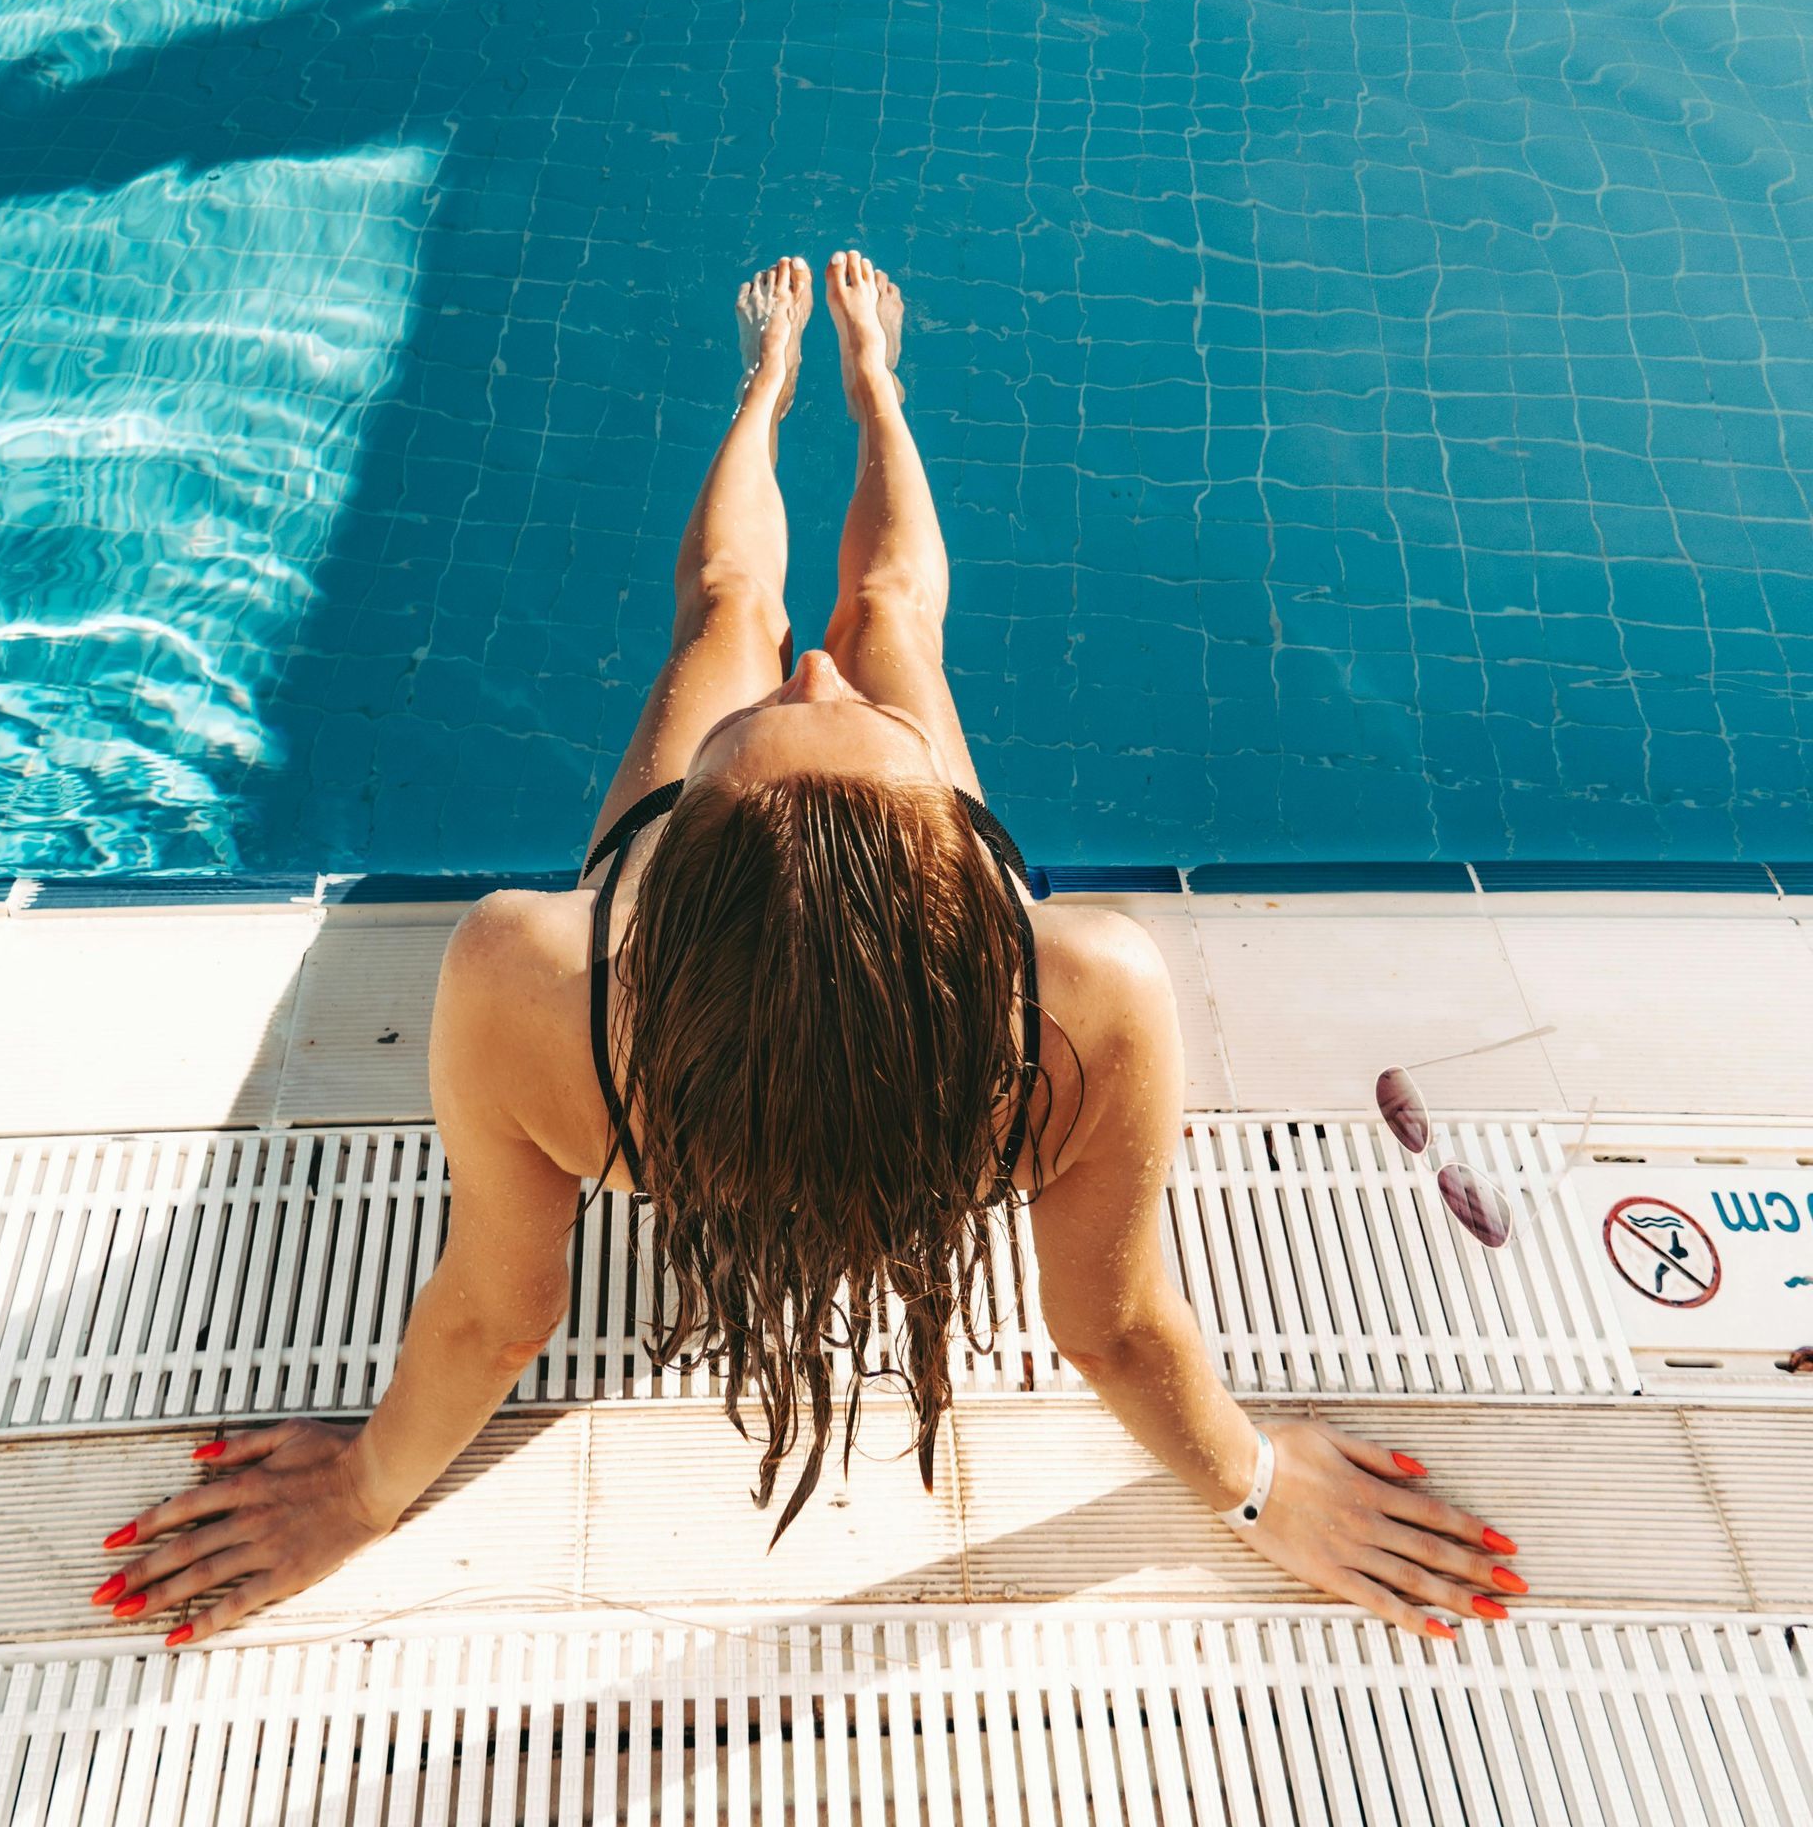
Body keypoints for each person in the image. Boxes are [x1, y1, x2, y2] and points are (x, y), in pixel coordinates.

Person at [92, 251, 1523, 1646]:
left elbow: (493, 1312)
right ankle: (824, 388)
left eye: (775, 723)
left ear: (660, 887)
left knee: (726, 606)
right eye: (837, 723)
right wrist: (1254, 1486)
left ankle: (828, 386)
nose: (814, 672)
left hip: (677, 1062)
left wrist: (363, 1489)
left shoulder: (534, 978)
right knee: (896, 615)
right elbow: (1118, 1324)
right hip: (910, 1052)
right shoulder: (1082, 994)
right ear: (960, 883)